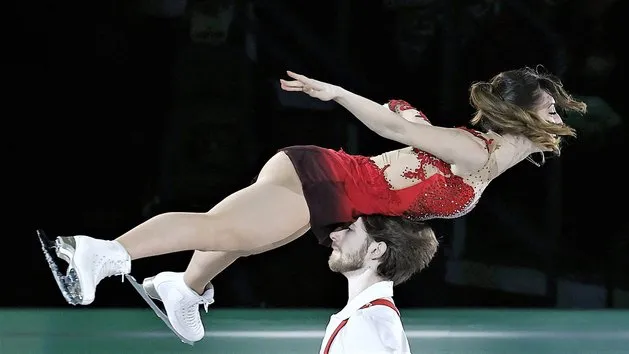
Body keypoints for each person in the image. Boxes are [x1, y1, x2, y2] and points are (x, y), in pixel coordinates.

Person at [43, 66, 586, 343]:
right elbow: (394, 122)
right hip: (324, 181)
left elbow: (409, 122)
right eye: (552, 109)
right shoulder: (471, 149)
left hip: (326, 185)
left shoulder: (475, 152)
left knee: (243, 235)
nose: (561, 118)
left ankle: (181, 290)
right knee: (228, 230)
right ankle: (100, 254)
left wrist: (411, 122)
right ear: (519, 117)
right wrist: (341, 95)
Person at [318, 215, 437, 354]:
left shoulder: (367, 323)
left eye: (350, 229)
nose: (333, 234)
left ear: (376, 250)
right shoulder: (369, 318)